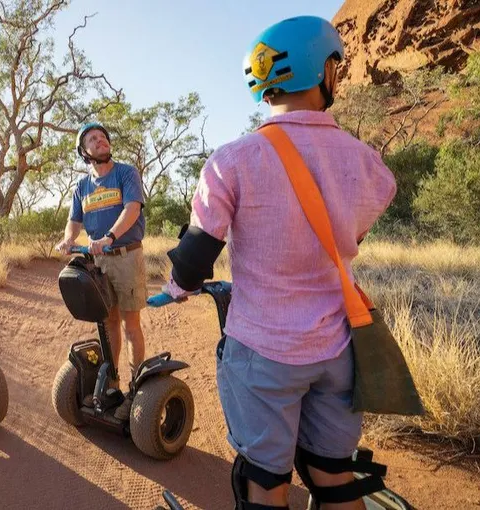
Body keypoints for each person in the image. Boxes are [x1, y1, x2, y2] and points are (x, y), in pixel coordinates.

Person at [161, 17, 397, 510]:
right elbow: (351, 234)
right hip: (336, 349)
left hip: (263, 350)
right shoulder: (367, 163)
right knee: (335, 476)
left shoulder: (233, 160)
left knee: (266, 482)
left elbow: (195, 259)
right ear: (324, 71)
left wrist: (176, 285)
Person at [55, 122, 147, 420]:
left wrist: (109, 237)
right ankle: (114, 382)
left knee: (130, 324)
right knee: (109, 323)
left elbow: (132, 209)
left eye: (103, 137)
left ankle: (136, 387)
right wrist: (69, 239)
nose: (101, 141)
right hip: (98, 262)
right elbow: (74, 220)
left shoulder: (125, 173)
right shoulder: (82, 186)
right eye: (93, 139)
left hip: (125, 255)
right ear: (84, 151)